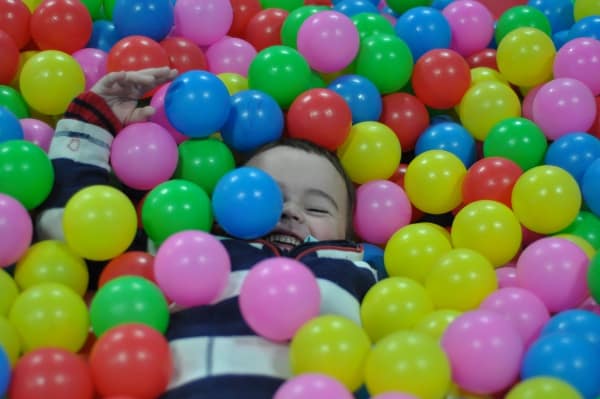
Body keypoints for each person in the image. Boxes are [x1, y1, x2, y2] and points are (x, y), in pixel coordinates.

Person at [36, 67, 378, 398]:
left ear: (350, 236)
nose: (288, 211)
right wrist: (93, 126)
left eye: (317, 208)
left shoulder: (363, 275)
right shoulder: (194, 251)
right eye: (264, 194)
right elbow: (75, 227)